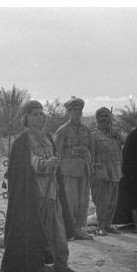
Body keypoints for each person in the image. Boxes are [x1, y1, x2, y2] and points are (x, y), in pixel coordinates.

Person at [1, 100, 82, 272]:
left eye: (40, 113)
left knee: (58, 230)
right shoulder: (22, 141)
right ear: (26, 118)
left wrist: (55, 164)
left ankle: (61, 265)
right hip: (34, 194)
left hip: (52, 191)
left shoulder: (47, 136)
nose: (39, 117)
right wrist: (45, 164)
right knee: (36, 230)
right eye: (34, 114)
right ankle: (35, 266)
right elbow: (29, 162)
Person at [54, 96, 93, 240]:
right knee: (70, 201)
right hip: (69, 170)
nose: (77, 112)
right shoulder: (62, 130)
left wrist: (91, 166)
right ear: (69, 112)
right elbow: (56, 152)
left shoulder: (87, 130)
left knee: (83, 202)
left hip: (84, 170)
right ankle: (67, 230)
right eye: (74, 110)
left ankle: (80, 229)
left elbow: (91, 150)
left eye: (79, 110)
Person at [90, 107, 123, 236]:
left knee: (113, 200)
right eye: (101, 116)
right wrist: (92, 172)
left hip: (114, 170)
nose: (104, 119)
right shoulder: (93, 135)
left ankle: (108, 224)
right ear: (97, 119)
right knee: (102, 201)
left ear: (111, 118)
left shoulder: (115, 134)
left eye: (106, 116)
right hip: (100, 171)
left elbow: (120, 151)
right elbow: (91, 155)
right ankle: (101, 226)